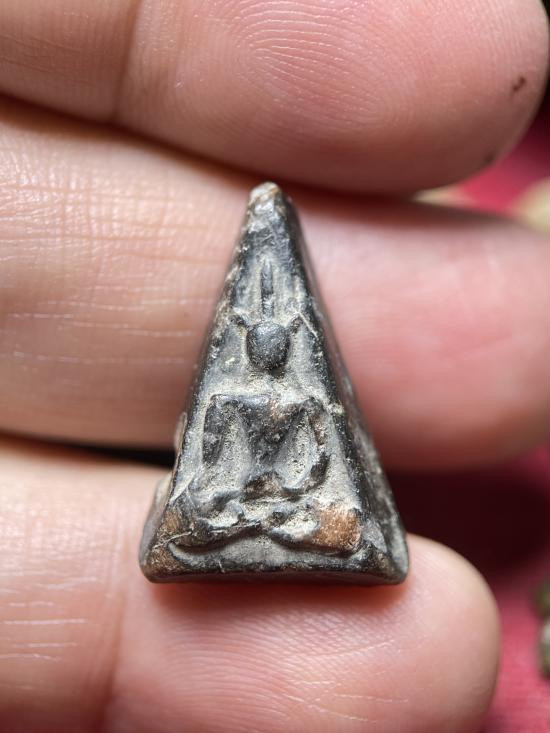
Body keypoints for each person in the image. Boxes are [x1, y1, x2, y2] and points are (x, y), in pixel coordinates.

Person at [0, 1, 548, 731]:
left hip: (294, 511)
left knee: (341, 524)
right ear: (249, 338)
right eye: (256, 340)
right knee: (194, 523)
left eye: (276, 341)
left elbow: (317, 468)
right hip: (234, 510)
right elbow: (209, 478)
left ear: (287, 340)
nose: (265, 351)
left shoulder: (306, 405)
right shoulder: (228, 401)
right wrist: (235, 501)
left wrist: (286, 498)